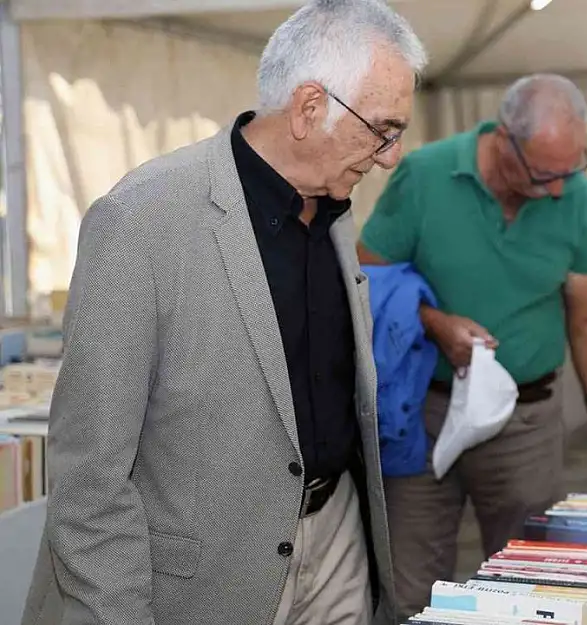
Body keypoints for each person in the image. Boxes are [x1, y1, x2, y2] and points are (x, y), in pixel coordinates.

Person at [20, 2, 426, 625]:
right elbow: (89, 475)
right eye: (381, 129)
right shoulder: (142, 219)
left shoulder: (335, 207)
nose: (390, 155)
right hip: (204, 579)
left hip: (339, 536)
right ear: (311, 106)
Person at [357, 73, 587, 619]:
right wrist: (434, 322)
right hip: (424, 411)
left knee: (531, 587)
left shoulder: (579, 199)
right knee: (412, 586)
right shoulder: (424, 174)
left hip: (526, 421)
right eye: (544, 175)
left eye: (571, 169)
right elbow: (366, 280)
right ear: (504, 140)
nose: (559, 189)